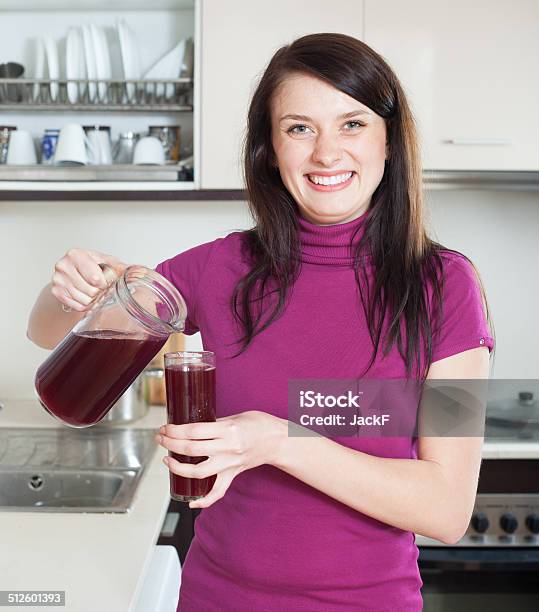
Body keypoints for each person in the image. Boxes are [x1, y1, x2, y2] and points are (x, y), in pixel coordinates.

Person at [28, 33, 495, 611]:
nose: (326, 153)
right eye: (299, 128)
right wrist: (69, 292)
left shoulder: (447, 286)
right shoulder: (221, 267)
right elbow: (49, 335)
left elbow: (446, 510)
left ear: (390, 142)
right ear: (270, 149)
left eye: (352, 124)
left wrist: (278, 440)